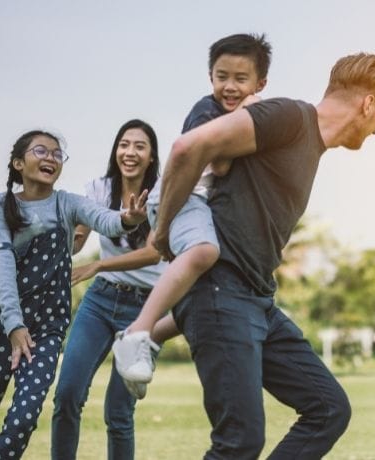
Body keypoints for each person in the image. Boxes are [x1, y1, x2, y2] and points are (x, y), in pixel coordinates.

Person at [148, 52, 375, 459]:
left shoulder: (311, 146)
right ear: (367, 104)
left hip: (258, 301)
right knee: (239, 443)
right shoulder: (290, 118)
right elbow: (187, 147)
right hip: (222, 291)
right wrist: (163, 232)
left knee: (328, 408)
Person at [0, 130, 148, 460]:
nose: (50, 158)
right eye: (40, 151)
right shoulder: (2, 204)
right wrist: (13, 324)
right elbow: (1, 263)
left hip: (45, 331)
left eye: (57, 154)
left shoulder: (67, 203)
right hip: (0, 325)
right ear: (18, 163)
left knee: (24, 418)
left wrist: (128, 220)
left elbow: (105, 220)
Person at [111, 33, 271, 391]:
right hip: (180, 198)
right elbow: (221, 164)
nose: (228, 87)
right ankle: (136, 332)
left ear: (260, 83)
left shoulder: (246, 115)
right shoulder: (207, 110)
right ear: (210, 76)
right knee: (204, 251)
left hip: (198, 203)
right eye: (221, 76)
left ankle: (151, 338)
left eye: (240, 79)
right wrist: (246, 113)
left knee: (210, 295)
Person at [51, 119, 166, 459]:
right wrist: (57, 240)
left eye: (139, 146)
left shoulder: (163, 193)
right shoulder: (99, 189)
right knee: (67, 394)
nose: (129, 152)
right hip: (101, 301)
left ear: (151, 156)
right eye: (124, 144)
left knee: (118, 412)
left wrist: (98, 264)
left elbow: (153, 252)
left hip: (146, 311)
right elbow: (78, 239)